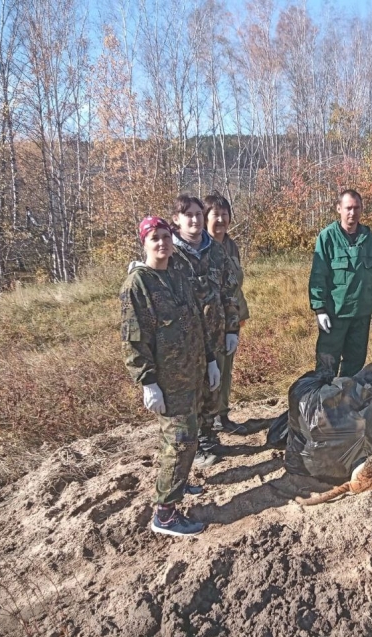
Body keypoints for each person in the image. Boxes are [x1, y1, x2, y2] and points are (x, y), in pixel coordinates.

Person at [120, 216, 218, 536]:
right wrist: (147, 382)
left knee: (181, 440)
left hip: (190, 374)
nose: (161, 243)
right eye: (154, 239)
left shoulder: (177, 273)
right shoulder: (138, 284)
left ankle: (180, 481)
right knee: (180, 440)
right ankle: (165, 514)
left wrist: (211, 359)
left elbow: (195, 319)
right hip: (166, 381)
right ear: (144, 243)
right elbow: (134, 339)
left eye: (165, 236)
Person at [168, 195, 240, 466]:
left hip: (216, 334)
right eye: (189, 215)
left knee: (212, 388)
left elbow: (229, 290)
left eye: (199, 214)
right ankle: (192, 446)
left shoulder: (216, 251)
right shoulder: (171, 253)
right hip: (185, 341)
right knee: (190, 393)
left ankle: (209, 437)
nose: (195, 220)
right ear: (177, 220)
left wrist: (231, 329)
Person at [308, 189, 372, 377]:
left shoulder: (370, 239)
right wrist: (319, 309)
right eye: (348, 208)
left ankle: (347, 403)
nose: (353, 212)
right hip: (335, 315)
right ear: (339, 209)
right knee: (326, 365)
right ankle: (324, 403)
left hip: (361, 315)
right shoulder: (327, 237)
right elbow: (318, 274)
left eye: (356, 208)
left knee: (354, 367)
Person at [205, 191, 249, 431]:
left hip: (233, 318)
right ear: (205, 217)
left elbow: (235, 282)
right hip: (210, 322)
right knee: (211, 371)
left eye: (225, 214)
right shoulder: (200, 246)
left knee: (226, 370)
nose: (220, 219)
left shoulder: (230, 245)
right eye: (215, 215)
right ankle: (208, 422)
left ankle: (222, 415)